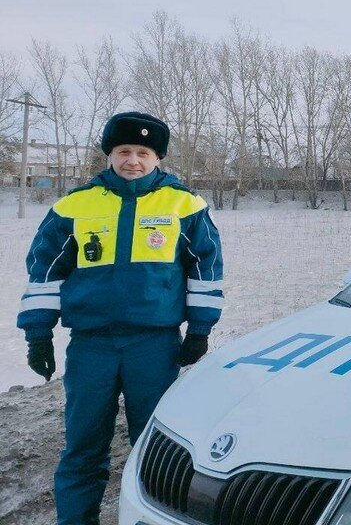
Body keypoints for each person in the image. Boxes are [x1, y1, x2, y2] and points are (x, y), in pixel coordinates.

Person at [17, 111, 224, 525]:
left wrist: (199, 330)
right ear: (109, 154)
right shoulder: (75, 205)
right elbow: (44, 271)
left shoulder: (185, 205)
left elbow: (206, 268)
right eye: (124, 151)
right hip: (92, 345)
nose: (133, 160)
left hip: (154, 344)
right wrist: (38, 334)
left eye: (144, 152)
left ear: (158, 158)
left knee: (154, 446)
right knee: (83, 445)